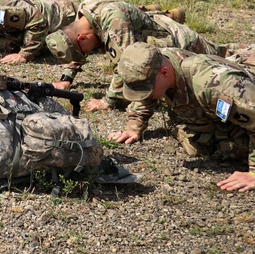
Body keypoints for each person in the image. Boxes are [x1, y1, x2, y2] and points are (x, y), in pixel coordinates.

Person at [108, 43, 255, 192]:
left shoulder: (215, 86)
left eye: (146, 90)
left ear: (164, 72)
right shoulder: (157, 60)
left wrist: (253, 173)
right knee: (197, 144)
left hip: (245, 92)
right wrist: (135, 124)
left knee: (234, 148)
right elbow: (146, 89)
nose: (144, 95)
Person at [44, 0, 233, 112]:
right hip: (149, 29)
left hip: (176, 40)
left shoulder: (113, 21)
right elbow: (76, 49)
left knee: (226, 57)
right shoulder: (85, 13)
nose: (87, 54)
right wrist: (66, 78)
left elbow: (127, 63)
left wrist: (108, 100)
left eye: (84, 52)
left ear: (82, 37)